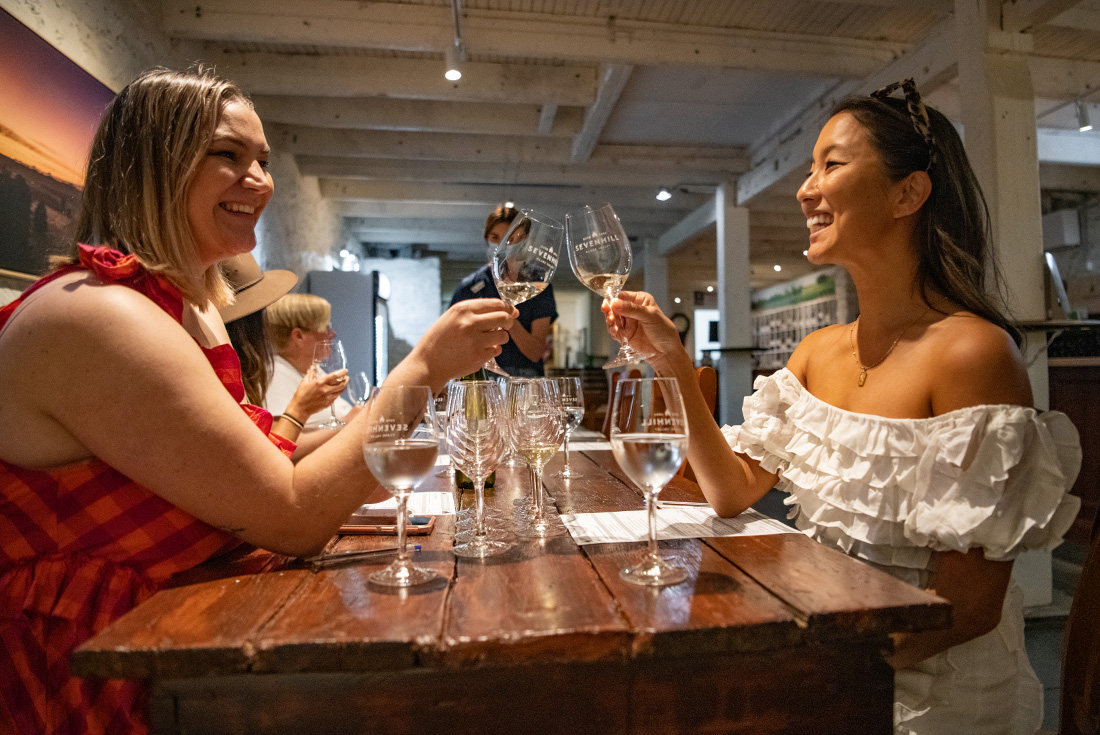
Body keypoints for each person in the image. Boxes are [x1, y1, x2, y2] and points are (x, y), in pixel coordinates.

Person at [0, 68, 515, 735]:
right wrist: (422, 369)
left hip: (182, 634)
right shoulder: (99, 316)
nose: (260, 180)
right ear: (154, 164)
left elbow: (258, 457)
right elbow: (292, 517)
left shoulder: (187, 309)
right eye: (228, 154)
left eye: (264, 161)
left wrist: (398, 411)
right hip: (91, 663)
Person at [604, 79, 1082, 735]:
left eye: (831, 165)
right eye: (810, 169)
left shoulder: (972, 354)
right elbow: (730, 491)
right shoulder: (816, 352)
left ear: (908, 194)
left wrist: (812, 677)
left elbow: (967, 609)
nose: (806, 190)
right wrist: (672, 363)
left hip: (929, 697)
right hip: (835, 657)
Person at [218, 253, 347, 452]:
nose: (332, 333)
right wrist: (349, 422)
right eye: (325, 327)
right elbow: (273, 448)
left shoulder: (305, 370)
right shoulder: (272, 373)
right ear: (298, 336)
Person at [450, 204, 558, 376]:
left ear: (524, 241)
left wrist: (507, 314)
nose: (502, 245)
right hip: (482, 377)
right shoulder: (470, 288)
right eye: (495, 237)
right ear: (486, 239)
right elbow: (455, 344)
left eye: (511, 238)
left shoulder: (538, 285)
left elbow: (536, 352)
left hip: (526, 380)